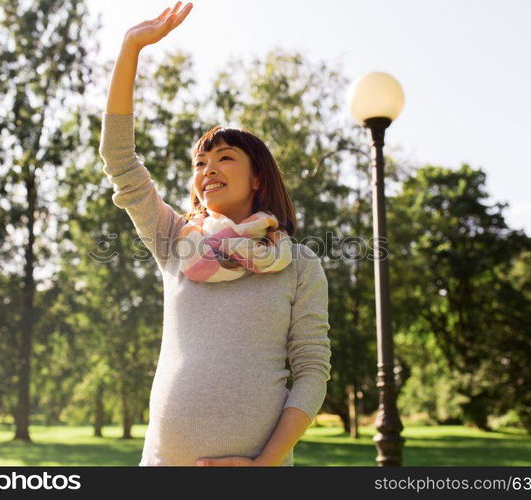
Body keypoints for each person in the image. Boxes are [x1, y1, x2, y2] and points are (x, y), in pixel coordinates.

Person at [98, 1, 331, 466]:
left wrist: (262, 468)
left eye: (224, 157)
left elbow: (311, 373)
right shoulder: (175, 242)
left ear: (258, 178)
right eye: (199, 163)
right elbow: (120, 161)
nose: (207, 170)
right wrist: (130, 49)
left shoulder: (299, 263)